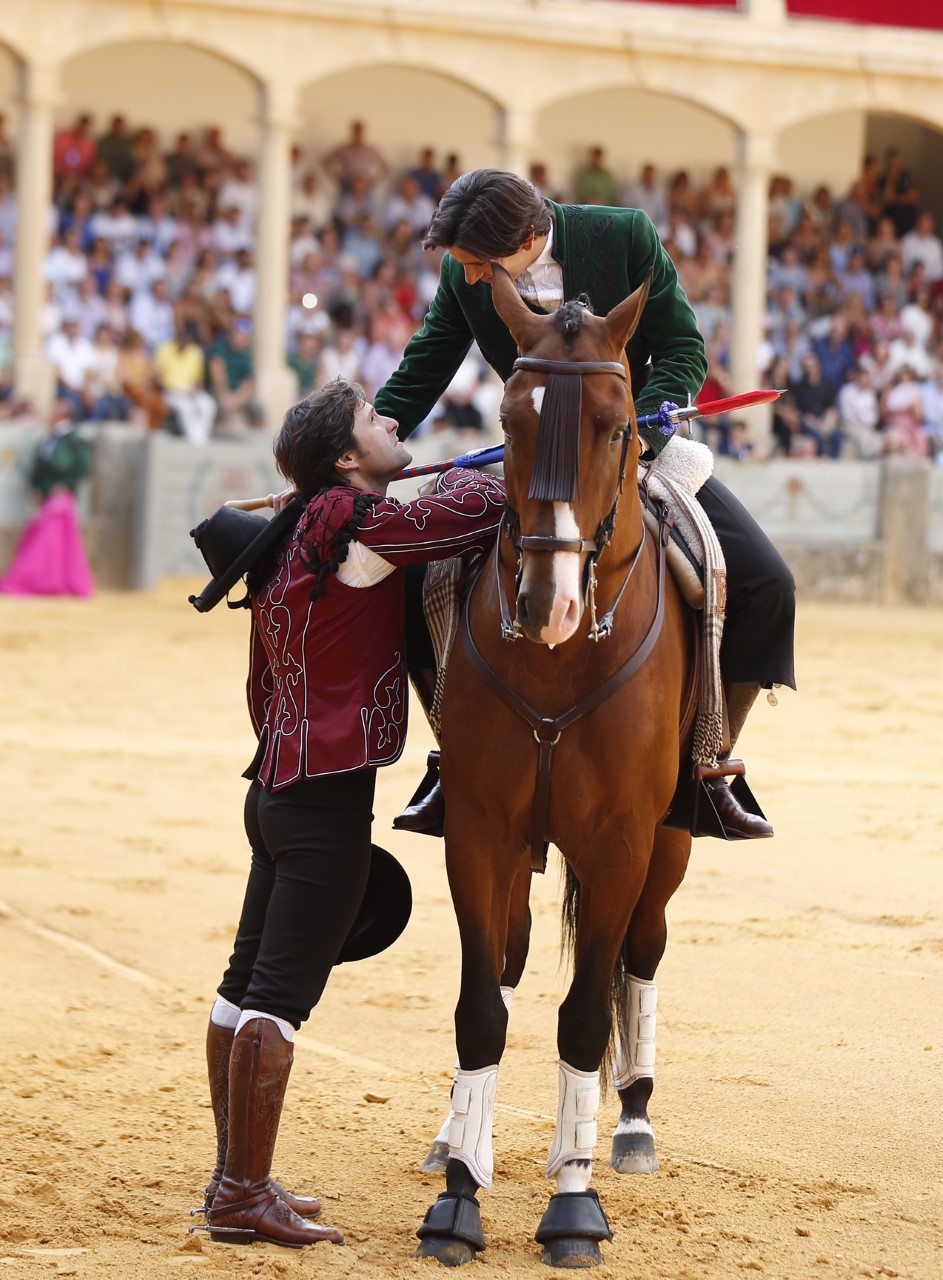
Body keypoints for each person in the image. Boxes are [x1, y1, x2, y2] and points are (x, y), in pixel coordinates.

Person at [374, 169, 796, 840]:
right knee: (406, 586)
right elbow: (424, 366)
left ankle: (706, 766)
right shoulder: (465, 272)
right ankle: (453, 754)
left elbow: (682, 348)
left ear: (526, 239)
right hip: (531, 451)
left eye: (480, 266)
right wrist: (363, 447)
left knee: (767, 586)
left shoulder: (624, 235)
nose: (471, 278)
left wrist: (637, 431)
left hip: (627, 443)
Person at [197, 377, 504, 1248]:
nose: (391, 420)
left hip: (275, 793)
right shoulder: (355, 526)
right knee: (276, 1001)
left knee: (242, 988)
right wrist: (469, 469)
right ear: (343, 458)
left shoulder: (303, 526)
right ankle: (241, 1195)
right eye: (375, 418)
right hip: (325, 804)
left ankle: (232, 1178)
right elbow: (480, 512)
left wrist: (399, 480)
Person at [0, 400, 94, 598]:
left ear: (63, 415)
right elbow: (40, 466)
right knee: (49, 540)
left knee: (50, 541)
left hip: (61, 497)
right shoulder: (51, 438)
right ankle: (47, 580)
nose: (51, 414)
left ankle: (46, 581)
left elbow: (83, 466)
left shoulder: (75, 439)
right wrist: (36, 487)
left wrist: (65, 484)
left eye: (55, 411)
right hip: (47, 496)